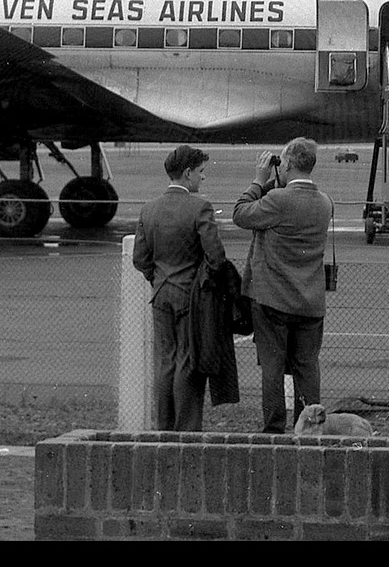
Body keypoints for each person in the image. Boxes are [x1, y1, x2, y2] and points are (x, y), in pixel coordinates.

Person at [232, 136, 332, 433]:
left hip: (272, 298)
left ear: (286, 164)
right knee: (306, 366)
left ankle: (274, 427)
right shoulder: (325, 203)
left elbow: (241, 213)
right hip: (311, 300)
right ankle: (309, 427)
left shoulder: (276, 200)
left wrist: (259, 180)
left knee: (273, 367)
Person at [132, 144, 226, 431]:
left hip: (161, 292)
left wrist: (159, 278)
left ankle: (165, 425)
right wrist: (201, 281)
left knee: (166, 361)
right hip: (191, 295)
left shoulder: (149, 209)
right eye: (200, 172)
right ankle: (187, 430)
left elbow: (139, 258)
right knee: (188, 361)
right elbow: (216, 256)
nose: (202, 178)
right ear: (187, 173)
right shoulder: (200, 207)